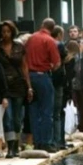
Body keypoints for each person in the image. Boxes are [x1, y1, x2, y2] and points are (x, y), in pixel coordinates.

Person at [0, 21, 31, 158]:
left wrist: (29, 86)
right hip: (4, 86)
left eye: (8, 31)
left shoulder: (19, 47)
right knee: (7, 117)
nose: (6, 34)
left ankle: (16, 145)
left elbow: (24, 67)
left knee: (17, 118)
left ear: (12, 32)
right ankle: (10, 148)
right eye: (3, 31)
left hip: (19, 84)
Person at [24, 18, 62, 152]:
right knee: (46, 111)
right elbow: (56, 63)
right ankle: (46, 142)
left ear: (42, 25)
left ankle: (37, 142)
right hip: (43, 76)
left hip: (30, 76)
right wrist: (50, 67)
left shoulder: (31, 38)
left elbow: (25, 59)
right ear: (52, 29)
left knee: (34, 111)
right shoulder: (50, 40)